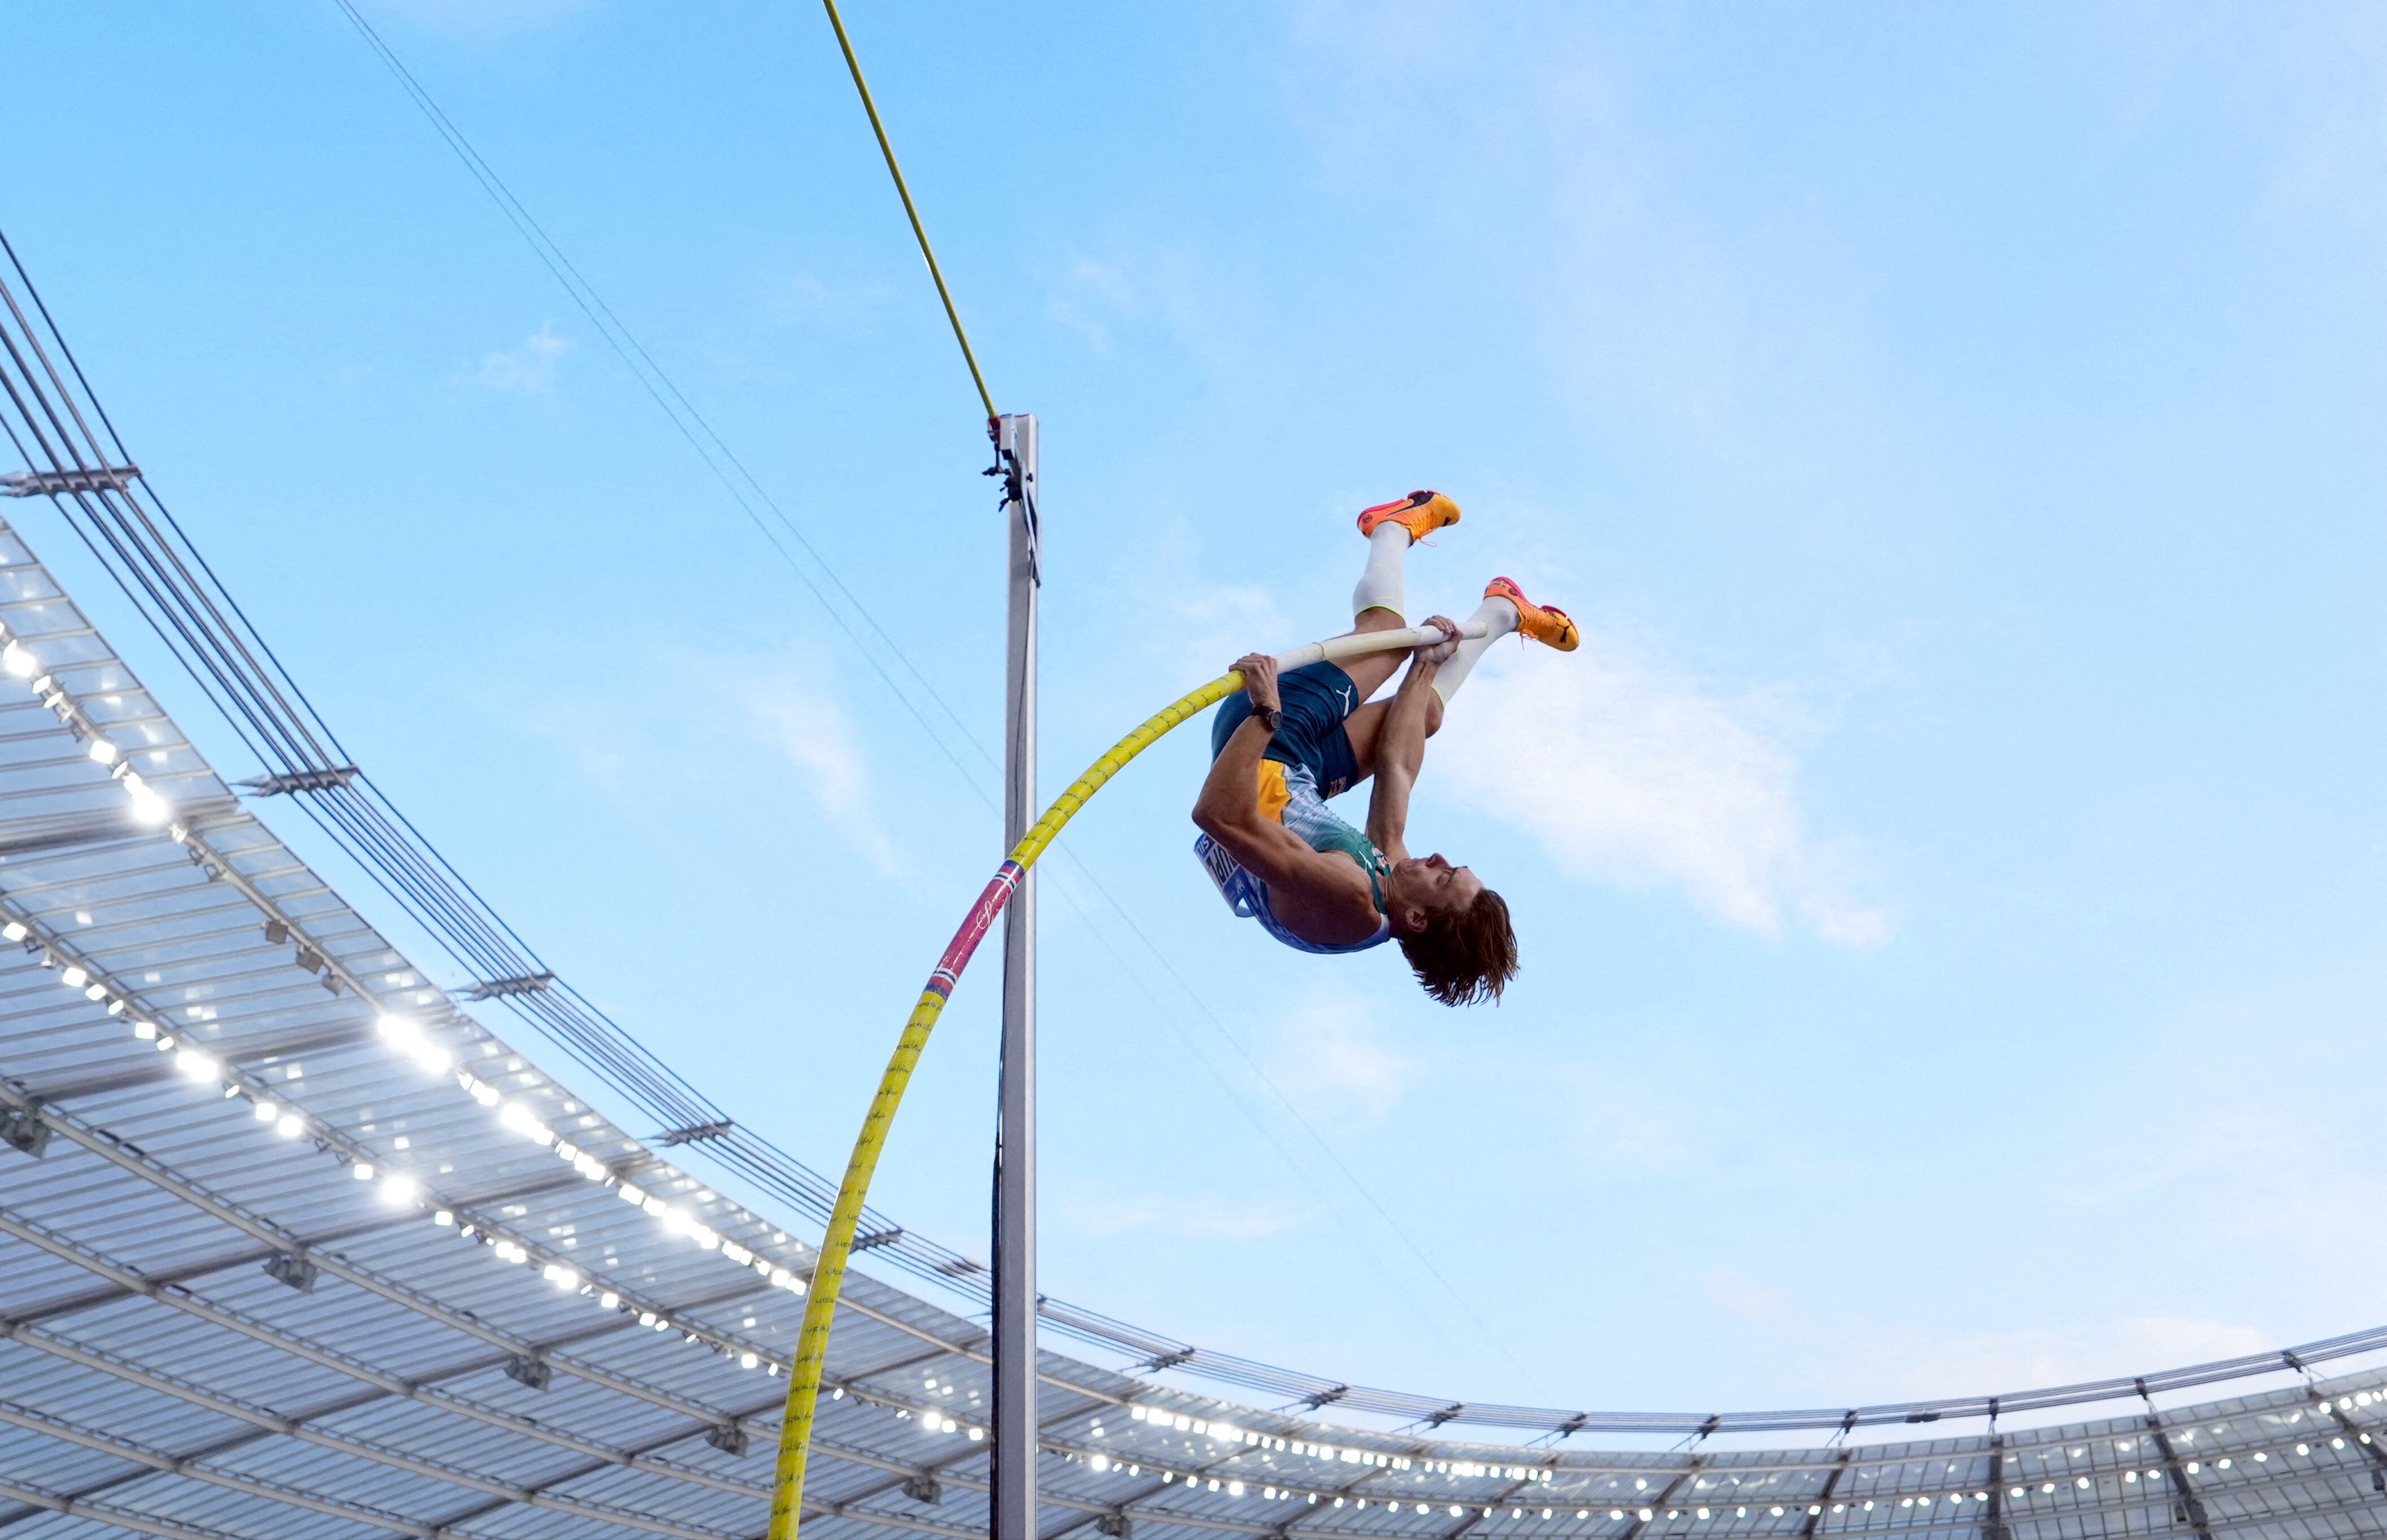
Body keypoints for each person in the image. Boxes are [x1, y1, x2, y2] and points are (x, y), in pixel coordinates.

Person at [1191, 491, 1578, 1005]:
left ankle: (1389, 530)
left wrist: (1265, 711)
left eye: (1443, 878)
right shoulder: (1390, 886)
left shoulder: (1349, 897)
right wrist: (1428, 664)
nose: (1438, 857)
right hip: (1298, 766)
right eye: (1451, 866)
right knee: (1426, 714)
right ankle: (1503, 609)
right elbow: (1397, 765)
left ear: (1418, 918)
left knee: (1387, 635)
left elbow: (1218, 815)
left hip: (1265, 739)